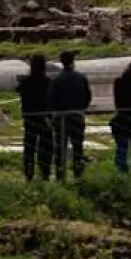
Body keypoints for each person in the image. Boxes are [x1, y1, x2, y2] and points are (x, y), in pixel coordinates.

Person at [47, 50, 92, 179]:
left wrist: (51, 115)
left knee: (60, 146)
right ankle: (78, 173)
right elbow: (88, 95)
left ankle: (60, 174)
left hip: (61, 116)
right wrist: (82, 108)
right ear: (73, 62)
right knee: (78, 145)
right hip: (77, 115)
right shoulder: (81, 77)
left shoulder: (57, 79)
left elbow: (51, 99)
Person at [16, 53, 54, 181]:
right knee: (46, 147)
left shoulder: (26, 82)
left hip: (30, 118)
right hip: (44, 119)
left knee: (29, 147)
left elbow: (21, 94)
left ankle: (29, 173)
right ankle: (45, 172)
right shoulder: (48, 82)